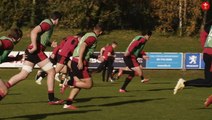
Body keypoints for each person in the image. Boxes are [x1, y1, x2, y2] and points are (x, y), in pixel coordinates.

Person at [3, 11, 64, 105]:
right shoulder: (48, 24)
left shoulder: (47, 23)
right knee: (51, 71)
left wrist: (50, 43)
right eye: (59, 20)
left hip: (32, 51)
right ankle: (51, 99)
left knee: (23, 74)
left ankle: (3, 88)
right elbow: (34, 32)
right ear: (57, 19)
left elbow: (40, 37)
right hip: (36, 51)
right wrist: (35, 47)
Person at [61, 24, 104, 110]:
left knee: (80, 84)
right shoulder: (93, 38)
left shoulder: (87, 34)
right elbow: (83, 46)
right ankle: (69, 82)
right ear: (101, 32)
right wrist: (80, 60)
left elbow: (85, 50)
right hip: (78, 62)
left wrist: (96, 57)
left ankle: (68, 104)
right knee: (89, 85)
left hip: (75, 60)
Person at [173, 20, 212, 95]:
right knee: (208, 82)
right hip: (210, 56)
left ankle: (184, 83)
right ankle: (184, 83)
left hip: (208, 54)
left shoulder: (209, 27)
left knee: (209, 82)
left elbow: (203, 35)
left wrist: (206, 49)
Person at [0, 28, 23, 101]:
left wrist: (15, 59)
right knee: (4, 90)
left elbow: (2, 59)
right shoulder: (9, 43)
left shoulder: (6, 40)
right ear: (18, 38)